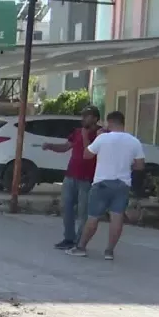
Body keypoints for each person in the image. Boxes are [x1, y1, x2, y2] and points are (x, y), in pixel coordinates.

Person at [68, 111, 144, 260]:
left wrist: (96, 138)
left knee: (93, 217)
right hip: (122, 184)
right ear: (123, 123)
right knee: (117, 218)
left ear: (109, 122)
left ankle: (81, 247)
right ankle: (109, 251)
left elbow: (87, 155)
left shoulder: (102, 138)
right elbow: (140, 166)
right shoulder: (134, 141)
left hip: (102, 183)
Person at [42, 105, 102, 250]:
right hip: (71, 176)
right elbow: (65, 147)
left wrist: (86, 136)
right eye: (82, 115)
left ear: (94, 118)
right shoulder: (76, 132)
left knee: (83, 212)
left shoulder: (100, 135)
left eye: (86, 116)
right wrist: (50, 146)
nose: (83, 118)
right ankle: (68, 238)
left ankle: (80, 242)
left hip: (88, 179)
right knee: (66, 207)